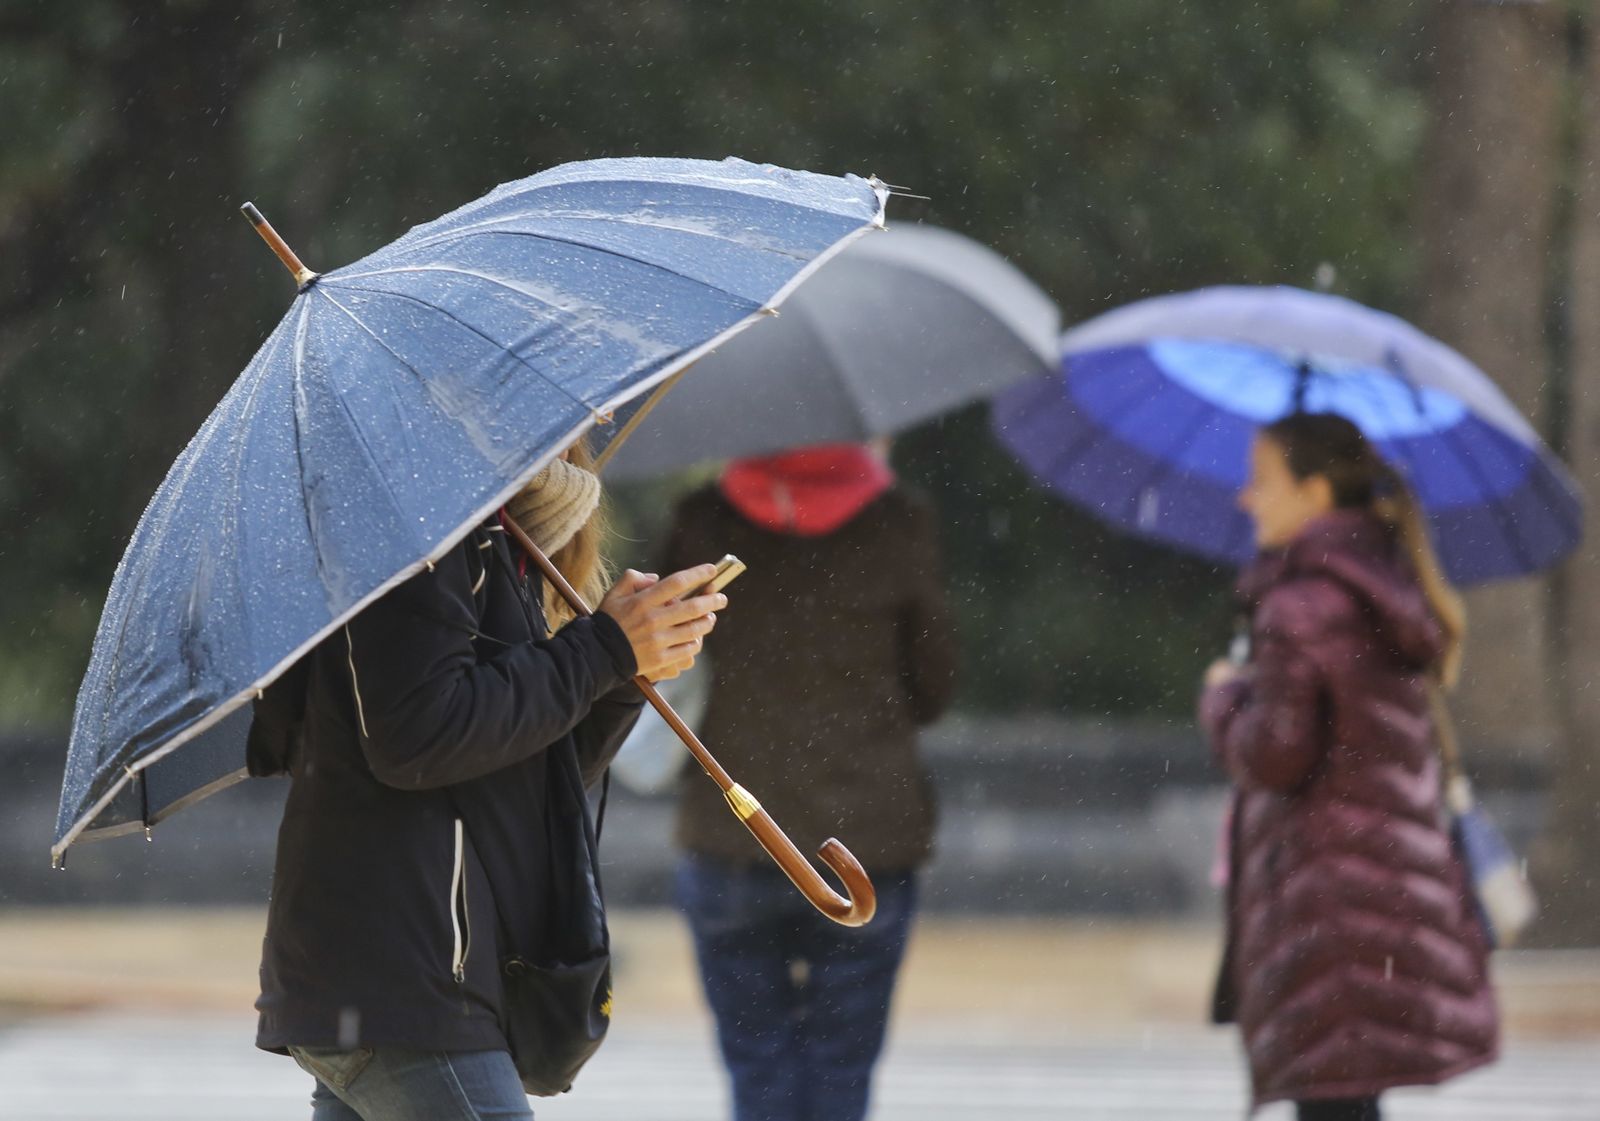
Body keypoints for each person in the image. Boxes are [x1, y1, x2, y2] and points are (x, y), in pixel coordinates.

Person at [247, 439, 727, 1121]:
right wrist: (604, 650)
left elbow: (523, 778)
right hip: (405, 976)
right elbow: (417, 735)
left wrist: (624, 672)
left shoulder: (495, 532)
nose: (595, 416)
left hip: (388, 977)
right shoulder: (423, 516)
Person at [1198, 413, 1499, 1121]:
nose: (1247, 498)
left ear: (1316, 490)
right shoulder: (1381, 587)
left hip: (1324, 893)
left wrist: (1222, 701)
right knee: (1350, 1099)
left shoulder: (1302, 606)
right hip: (1378, 885)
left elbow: (1276, 754)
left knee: (1334, 1101)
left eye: (1262, 480)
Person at [660, 440, 957, 1121]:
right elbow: (934, 686)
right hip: (866, 843)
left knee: (756, 1064)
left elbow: (663, 664)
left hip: (732, 834)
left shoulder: (703, 523)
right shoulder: (898, 521)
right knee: (841, 1065)